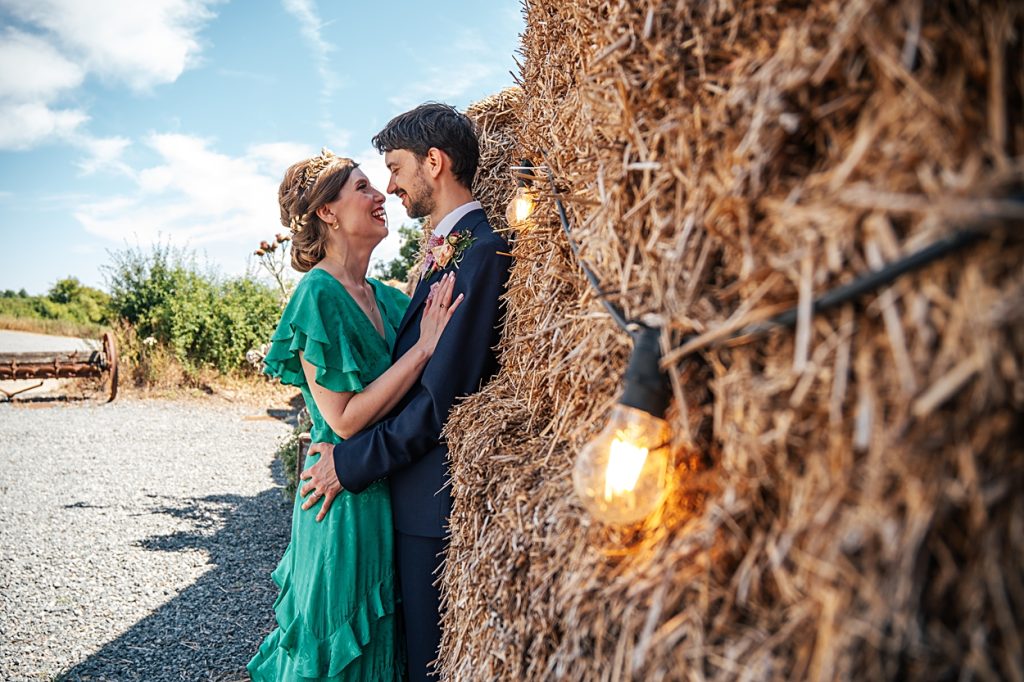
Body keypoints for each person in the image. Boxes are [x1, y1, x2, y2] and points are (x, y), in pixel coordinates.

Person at [300, 103, 513, 680]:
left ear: (434, 163)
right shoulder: (450, 252)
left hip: (427, 505)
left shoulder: (481, 253)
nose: (390, 186)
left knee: (424, 666)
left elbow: (440, 405)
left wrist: (349, 464)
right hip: (403, 501)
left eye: (395, 169)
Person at [247, 149, 464, 681]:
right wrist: (422, 350)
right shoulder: (316, 296)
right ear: (327, 212)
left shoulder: (388, 300)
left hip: (388, 495)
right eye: (363, 187)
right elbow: (342, 420)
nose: (381, 195)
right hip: (340, 503)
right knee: (339, 652)